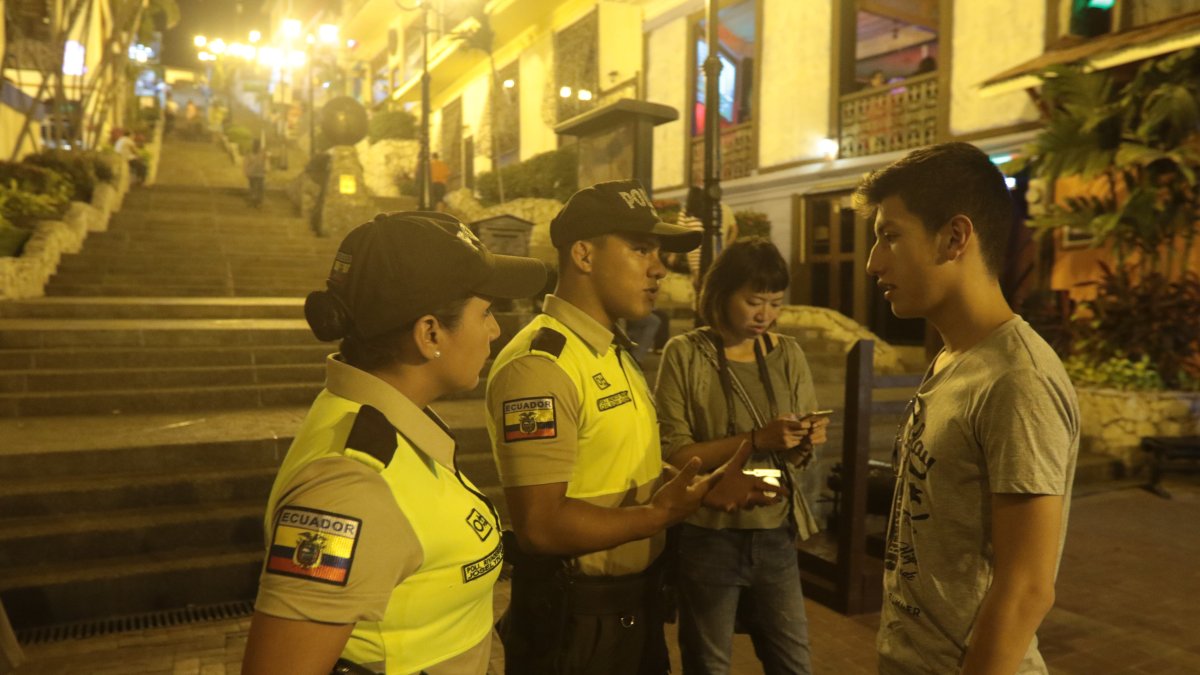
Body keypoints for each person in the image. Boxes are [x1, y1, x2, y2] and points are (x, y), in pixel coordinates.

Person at [485, 179, 774, 675]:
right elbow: (540, 527)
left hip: (627, 610)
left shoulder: (610, 350)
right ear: (583, 254)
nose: (659, 268)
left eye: (659, 252)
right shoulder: (541, 364)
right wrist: (659, 515)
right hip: (574, 624)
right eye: (641, 249)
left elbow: (614, 467)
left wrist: (696, 487)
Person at [240, 211, 548, 675]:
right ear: (429, 334)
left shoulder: (396, 426)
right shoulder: (348, 488)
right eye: (485, 312)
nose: (495, 330)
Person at [855, 142, 1079, 674]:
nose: (872, 263)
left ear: (955, 237)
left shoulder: (1018, 379)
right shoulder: (953, 358)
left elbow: (1027, 588)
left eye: (890, 236)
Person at [655, 238, 829, 675]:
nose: (764, 315)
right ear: (720, 294)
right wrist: (756, 438)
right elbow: (675, 453)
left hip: (775, 535)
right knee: (708, 663)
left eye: (774, 303)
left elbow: (798, 459)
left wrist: (803, 441)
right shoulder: (684, 353)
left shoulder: (787, 354)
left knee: (794, 662)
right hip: (708, 535)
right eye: (753, 301)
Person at [243, 139, 267, 208]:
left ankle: (255, 202)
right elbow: (246, 163)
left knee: (255, 188)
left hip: (256, 174)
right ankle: (256, 202)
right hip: (257, 174)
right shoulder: (260, 154)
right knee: (258, 189)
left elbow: (245, 164)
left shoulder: (260, 153)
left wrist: (246, 172)